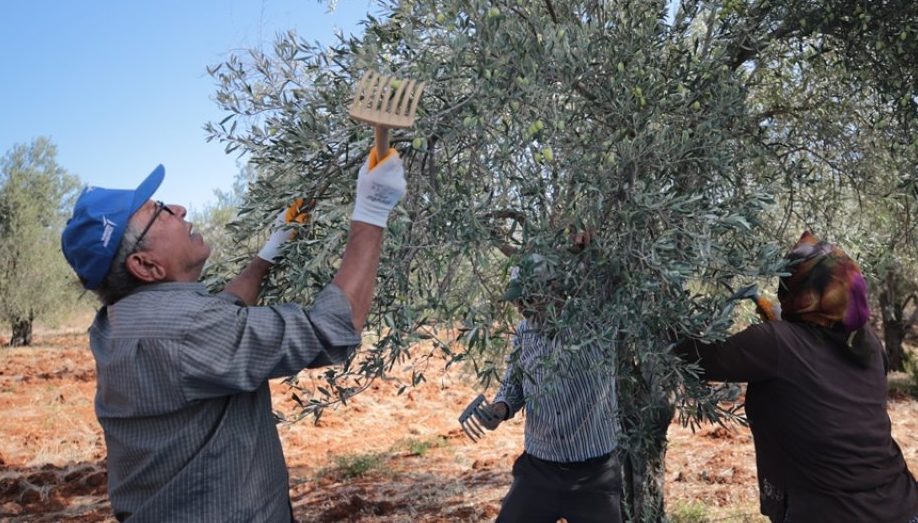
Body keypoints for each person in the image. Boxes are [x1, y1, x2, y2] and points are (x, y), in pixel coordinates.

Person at [59, 147, 405, 522]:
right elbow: (334, 327)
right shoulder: (188, 331)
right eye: (158, 211)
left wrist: (270, 251)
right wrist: (372, 210)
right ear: (144, 265)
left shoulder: (117, 321)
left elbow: (219, 313)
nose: (178, 208)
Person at [676, 232, 918, 523]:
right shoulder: (866, 341)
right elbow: (809, 346)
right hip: (905, 507)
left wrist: (659, 317)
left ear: (796, 290)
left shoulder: (775, 343)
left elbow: (700, 358)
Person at [463, 251, 623, 523]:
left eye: (528, 298)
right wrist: (500, 408)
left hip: (594, 476)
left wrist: (588, 251)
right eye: (518, 300)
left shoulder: (594, 323)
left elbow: (610, 284)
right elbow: (515, 382)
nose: (521, 307)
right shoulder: (525, 331)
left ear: (552, 288)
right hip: (538, 471)